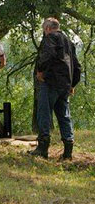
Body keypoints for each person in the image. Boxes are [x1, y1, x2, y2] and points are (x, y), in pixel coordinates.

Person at [29, 18, 81, 160]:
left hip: (51, 81)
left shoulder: (50, 38)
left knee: (44, 112)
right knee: (64, 116)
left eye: (43, 30)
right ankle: (68, 151)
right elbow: (76, 66)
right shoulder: (69, 42)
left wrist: (40, 70)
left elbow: (48, 55)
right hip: (65, 84)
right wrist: (72, 84)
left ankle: (42, 148)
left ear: (47, 28)